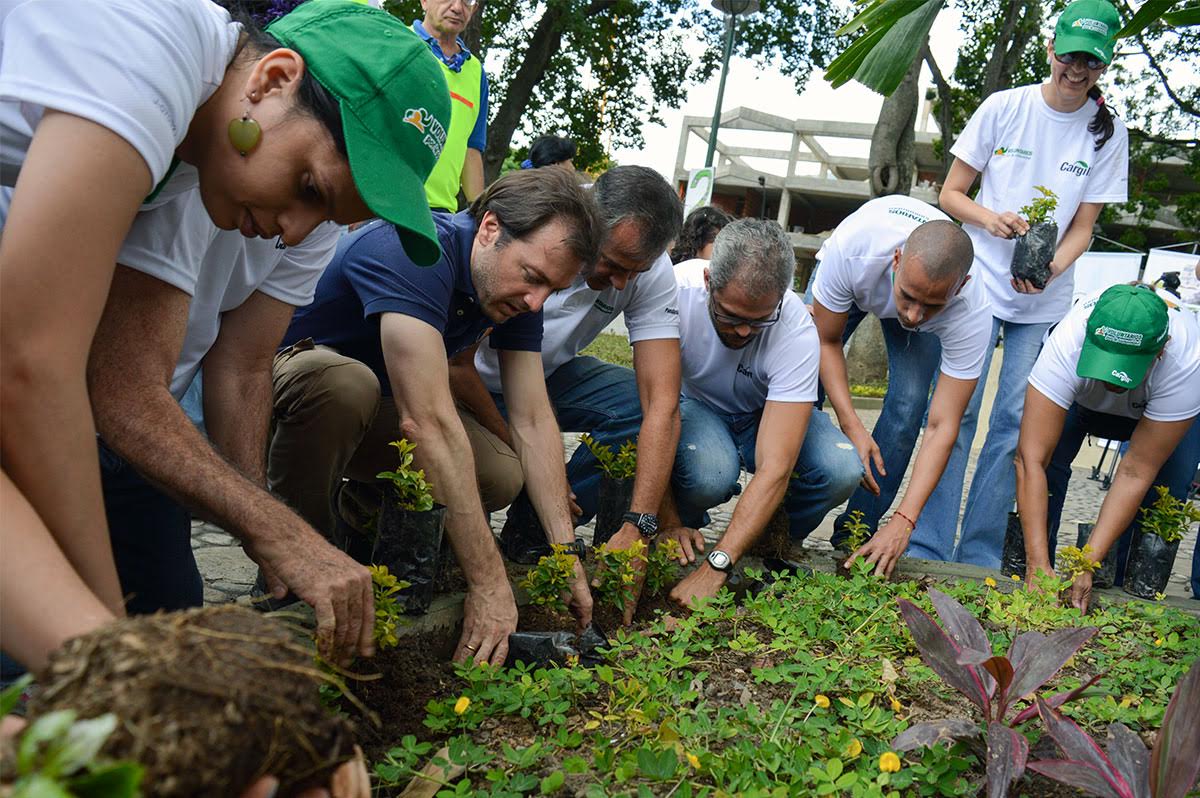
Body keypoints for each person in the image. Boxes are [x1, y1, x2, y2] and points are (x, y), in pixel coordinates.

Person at [0, 0, 450, 674]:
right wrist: (104, 643)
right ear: (271, 80)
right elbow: (37, 367)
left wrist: (266, 530)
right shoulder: (159, 57)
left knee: (150, 619)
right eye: (307, 187)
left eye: (329, 215)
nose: (296, 232)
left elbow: (240, 365)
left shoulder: (192, 156)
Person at [267, 169, 604, 665]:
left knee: (500, 471)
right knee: (344, 386)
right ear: (490, 227)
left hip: (378, 403)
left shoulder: (517, 290)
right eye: (533, 278)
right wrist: (489, 584)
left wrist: (566, 555)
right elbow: (426, 423)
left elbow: (533, 419)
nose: (537, 302)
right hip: (290, 385)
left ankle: (361, 509)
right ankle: (296, 558)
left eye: (551, 290)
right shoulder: (414, 246)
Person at [919, 0, 1130, 567]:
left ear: (1104, 64)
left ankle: (981, 553)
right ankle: (928, 542)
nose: (1077, 69)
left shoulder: (1109, 133)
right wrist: (991, 220)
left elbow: (1083, 228)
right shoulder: (1004, 107)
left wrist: (1050, 269)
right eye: (1069, 55)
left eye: (1091, 60)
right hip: (980, 287)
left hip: (1044, 301)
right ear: (1050, 50)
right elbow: (951, 194)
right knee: (956, 415)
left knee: (1013, 424)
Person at [456, 165, 685, 623]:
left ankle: (536, 531)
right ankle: (522, 504)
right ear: (587, 222)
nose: (620, 283)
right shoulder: (536, 225)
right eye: (613, 265)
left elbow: (661, 402)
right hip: (467, 380)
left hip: (544, 376)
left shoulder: (646, 269)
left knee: (631, 405)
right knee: (504, 467)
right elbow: (453, 365)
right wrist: (534, 460)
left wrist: (640, 526)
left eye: (632, 273)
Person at [666, 220, 863, 608]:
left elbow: (776, 467)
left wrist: (717, 567)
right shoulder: (674, 292)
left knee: (840, 468)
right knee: (710, 473)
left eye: (758, 321)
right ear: (709, 280)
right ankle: (680, 534)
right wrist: (666, 520)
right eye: (730, 315)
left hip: (761, 415)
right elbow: (655, 412)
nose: (742, 332)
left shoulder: (795, 328)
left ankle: (765, 543)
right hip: (693, 407)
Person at [807, 196, 988, 576]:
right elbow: (826, 341)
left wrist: (905, 519)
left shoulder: (972, 309)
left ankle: (858, 536)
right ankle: (784, 518)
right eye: (908, 298)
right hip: (857, 280)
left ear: (962, 286)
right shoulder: (855, 249)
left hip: (909, 280)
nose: (913, 315)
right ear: (896, 260)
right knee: (803, 385)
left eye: (932, 305)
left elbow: (942, 425)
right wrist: (851, 424)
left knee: (908, 407)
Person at [1015, 284, 1200, 611]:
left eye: (1126, 366)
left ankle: (1117, 592)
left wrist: (1088, 564)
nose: (1114, 380)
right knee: (1049, 470)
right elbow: (1031, 460)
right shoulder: (1067, 340)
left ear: (1161, 350)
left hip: (1157, 406)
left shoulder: (1186, 357)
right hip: (1080, 402)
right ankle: (1042, 571)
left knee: (1164, 491)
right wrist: (1036, 563)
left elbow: (1135, 471)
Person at [415, 0, 489, 210]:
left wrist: (479, 215)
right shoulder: (396, 44)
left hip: (441, 214)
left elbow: (471, 150)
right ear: (424, 1)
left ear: (474, 9)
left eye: (467, 1)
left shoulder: (476, 73)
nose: (457, 7)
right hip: (383, 205)